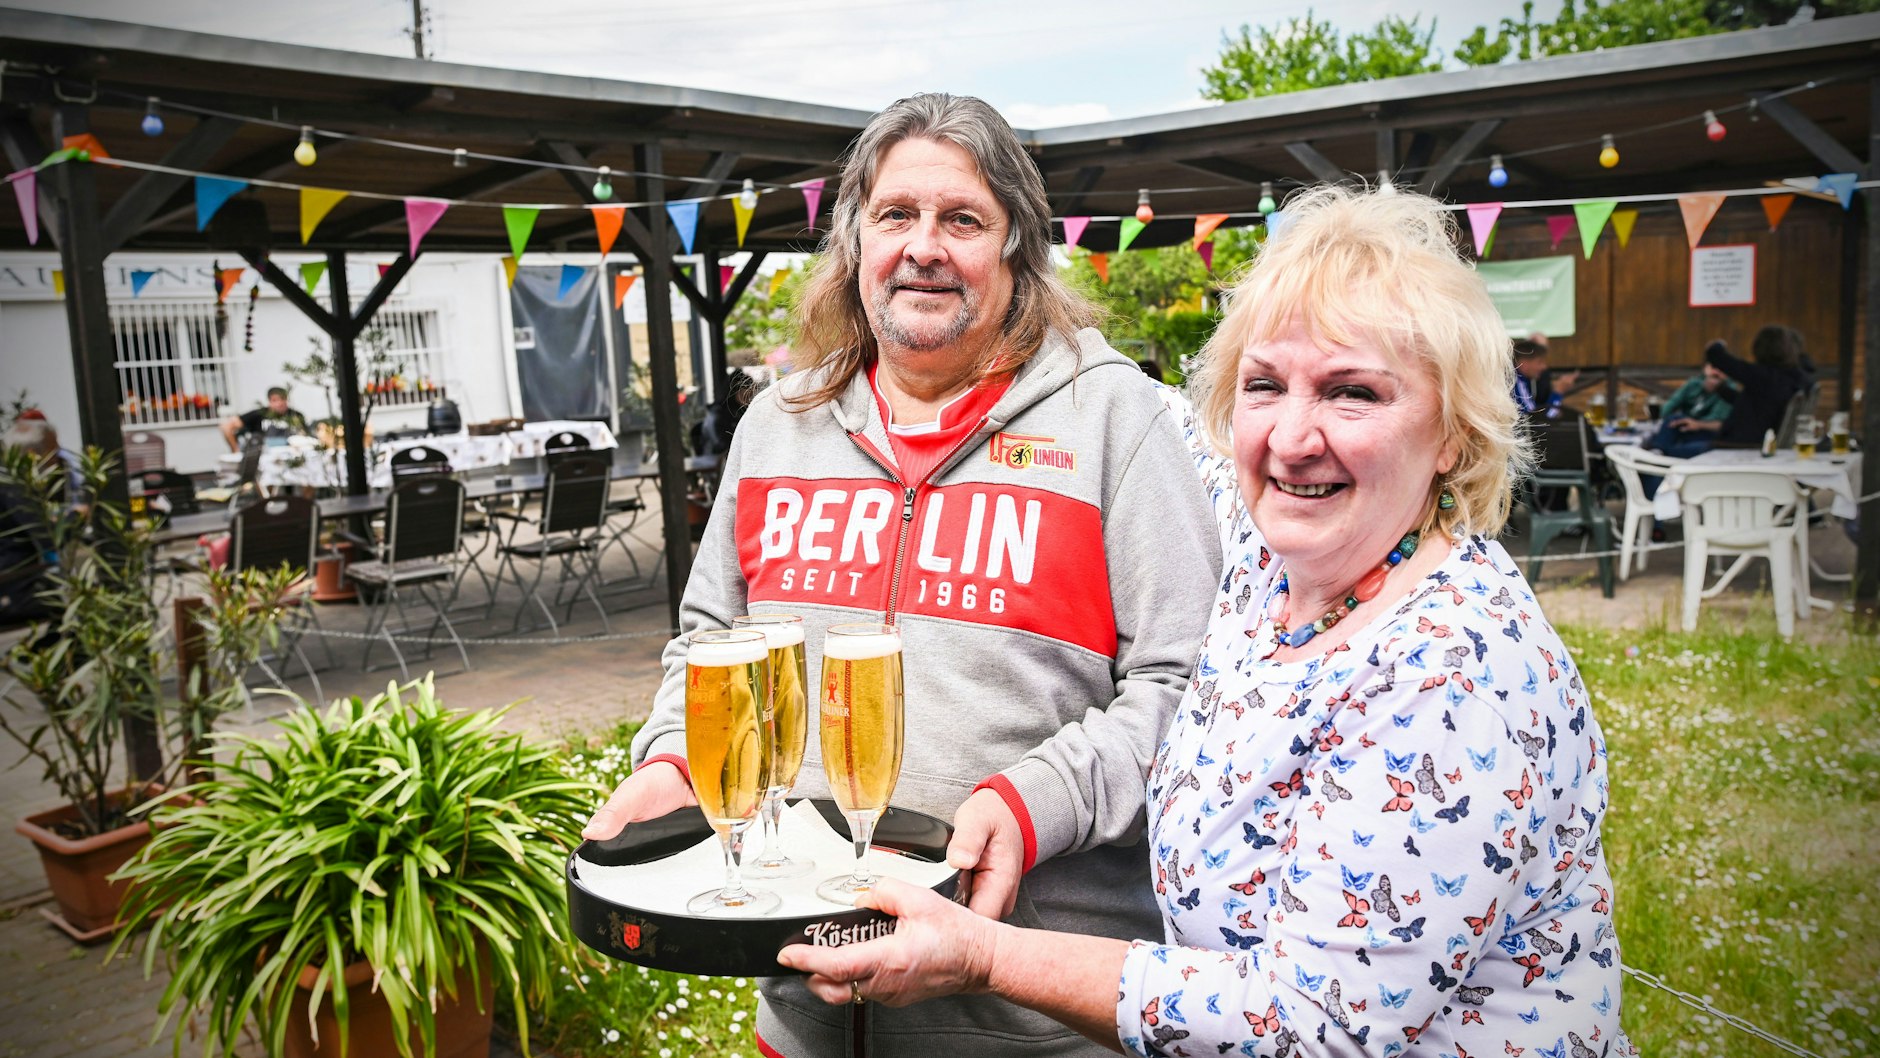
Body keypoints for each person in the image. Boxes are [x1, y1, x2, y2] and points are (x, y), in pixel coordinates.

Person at [780, 185, 1630, 1058]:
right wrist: (938, 308)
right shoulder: (1264, 550)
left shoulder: (1456, 672)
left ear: (1452, 433)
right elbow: (1137, 416)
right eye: (1265, 384)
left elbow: (1312, 1026)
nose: (1294, 437)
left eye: (1354, 394)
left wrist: (984, 956)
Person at [581, 92, 1221, 1057]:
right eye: (896, 216)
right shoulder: (779, 423)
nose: (925, 246)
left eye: (963, 219)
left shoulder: (1117, 423)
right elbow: (713, 636)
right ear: (854, 242)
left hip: (1034, 1024)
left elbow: (1190, 689)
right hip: (800, 1009)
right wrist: (675, 755)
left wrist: (1032, 798)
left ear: (1018, 249)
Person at [1675, 328, 1812, 449]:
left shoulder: (1764, 375)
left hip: (1740, 446)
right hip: (1756, 442)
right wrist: (1721, 389)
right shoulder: (1794, 377)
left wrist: (1718, 344)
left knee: (1670, 452)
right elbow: (1757, 405)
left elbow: (1716, 356)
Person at [1644, 361, 1736, 459]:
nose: (1716, 372)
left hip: (1710, 436)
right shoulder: (1694, 384)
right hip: (1685, 430)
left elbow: (1721, 424)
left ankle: (1657, 454)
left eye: (1721, 369)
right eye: (1713, 367)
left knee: (1664, 449)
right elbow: (1668, 407)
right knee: (1672, 421)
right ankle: (1658, 454)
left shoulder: (1729, 390)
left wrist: (1697, 424)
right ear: (1705, 369)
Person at [219, 387, 307, 451]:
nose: (279, 404)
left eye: (282, 399)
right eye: (275, 400)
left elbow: (303, 435)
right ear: (269, 402)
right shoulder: (259, 414)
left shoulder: (296, 415)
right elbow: (226, 427)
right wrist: (235, 450)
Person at [1511, 334, 1577, 414]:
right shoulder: (1516, 382)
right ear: (1524, 364)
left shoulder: (1523, 380)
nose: (1544, 367)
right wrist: (1559, 392)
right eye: (1540, 362)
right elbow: (1538, 421)